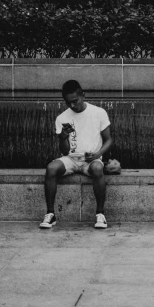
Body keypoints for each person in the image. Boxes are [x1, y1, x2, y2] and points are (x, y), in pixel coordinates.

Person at [40, 80, 112, 229]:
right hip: (72, 159)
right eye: (68, 103)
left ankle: (100, 214)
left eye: (75, 101)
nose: (72, 105)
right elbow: (65, 151)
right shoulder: (62, 118)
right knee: (51, 168)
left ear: (83, 95)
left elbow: (109, 140)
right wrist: (63, 137)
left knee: (98, 169)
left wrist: (97, 154)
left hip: (92, 159)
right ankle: (50, 214)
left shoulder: (99, 113)